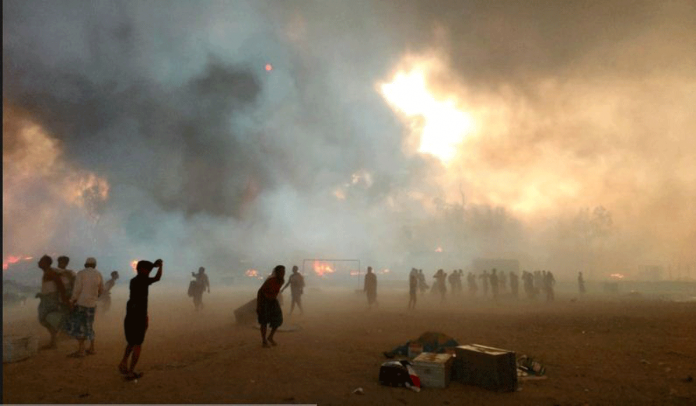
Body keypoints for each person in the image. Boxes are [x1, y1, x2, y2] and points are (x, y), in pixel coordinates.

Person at [119, 259, 163, 380]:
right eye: (147, 269)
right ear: (141, 269)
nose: (149, 271)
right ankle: (131, 372)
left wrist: (154, 266)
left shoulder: (134, 281)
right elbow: (157, 278)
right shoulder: (143, 280)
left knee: (131, 342)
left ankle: (123, 363)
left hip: (130, 315)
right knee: (138, 344)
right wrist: (160, 267)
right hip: (138, 316)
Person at [65, 257, 104, 357]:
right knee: (89, 326)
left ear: (85, 264)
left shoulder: (81, 273)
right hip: (92, 305)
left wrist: (71, 300)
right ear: (94, 265)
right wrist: (94, 297)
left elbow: (77, 289)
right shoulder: (98, 274)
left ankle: (81, 350)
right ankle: (92, 348)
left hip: (81, 304)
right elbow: (101, 290)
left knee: (80, 326)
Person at [36, 255, 69, 349]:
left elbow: (60, 285)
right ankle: (54, 340)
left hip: (50, 300)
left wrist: (64, 299)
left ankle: (54, 341)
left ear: (45, 263)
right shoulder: (48, 272)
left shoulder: (51, 273)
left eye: (41, 261)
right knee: (45, 319)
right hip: (47, 299)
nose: (38, 263)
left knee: (43, 319)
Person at [257, 265, 285, 348]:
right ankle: (264, 341)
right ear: (277, 273)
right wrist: (259, 305)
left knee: (278, 320)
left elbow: (276, 291)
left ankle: (270, 337)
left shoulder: (282, 281)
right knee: (264, 322)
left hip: (273, 301)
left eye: (284, 272)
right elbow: (260, 291)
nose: (283, 273)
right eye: (281, 272)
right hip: (264, 302)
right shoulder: (270, 281)